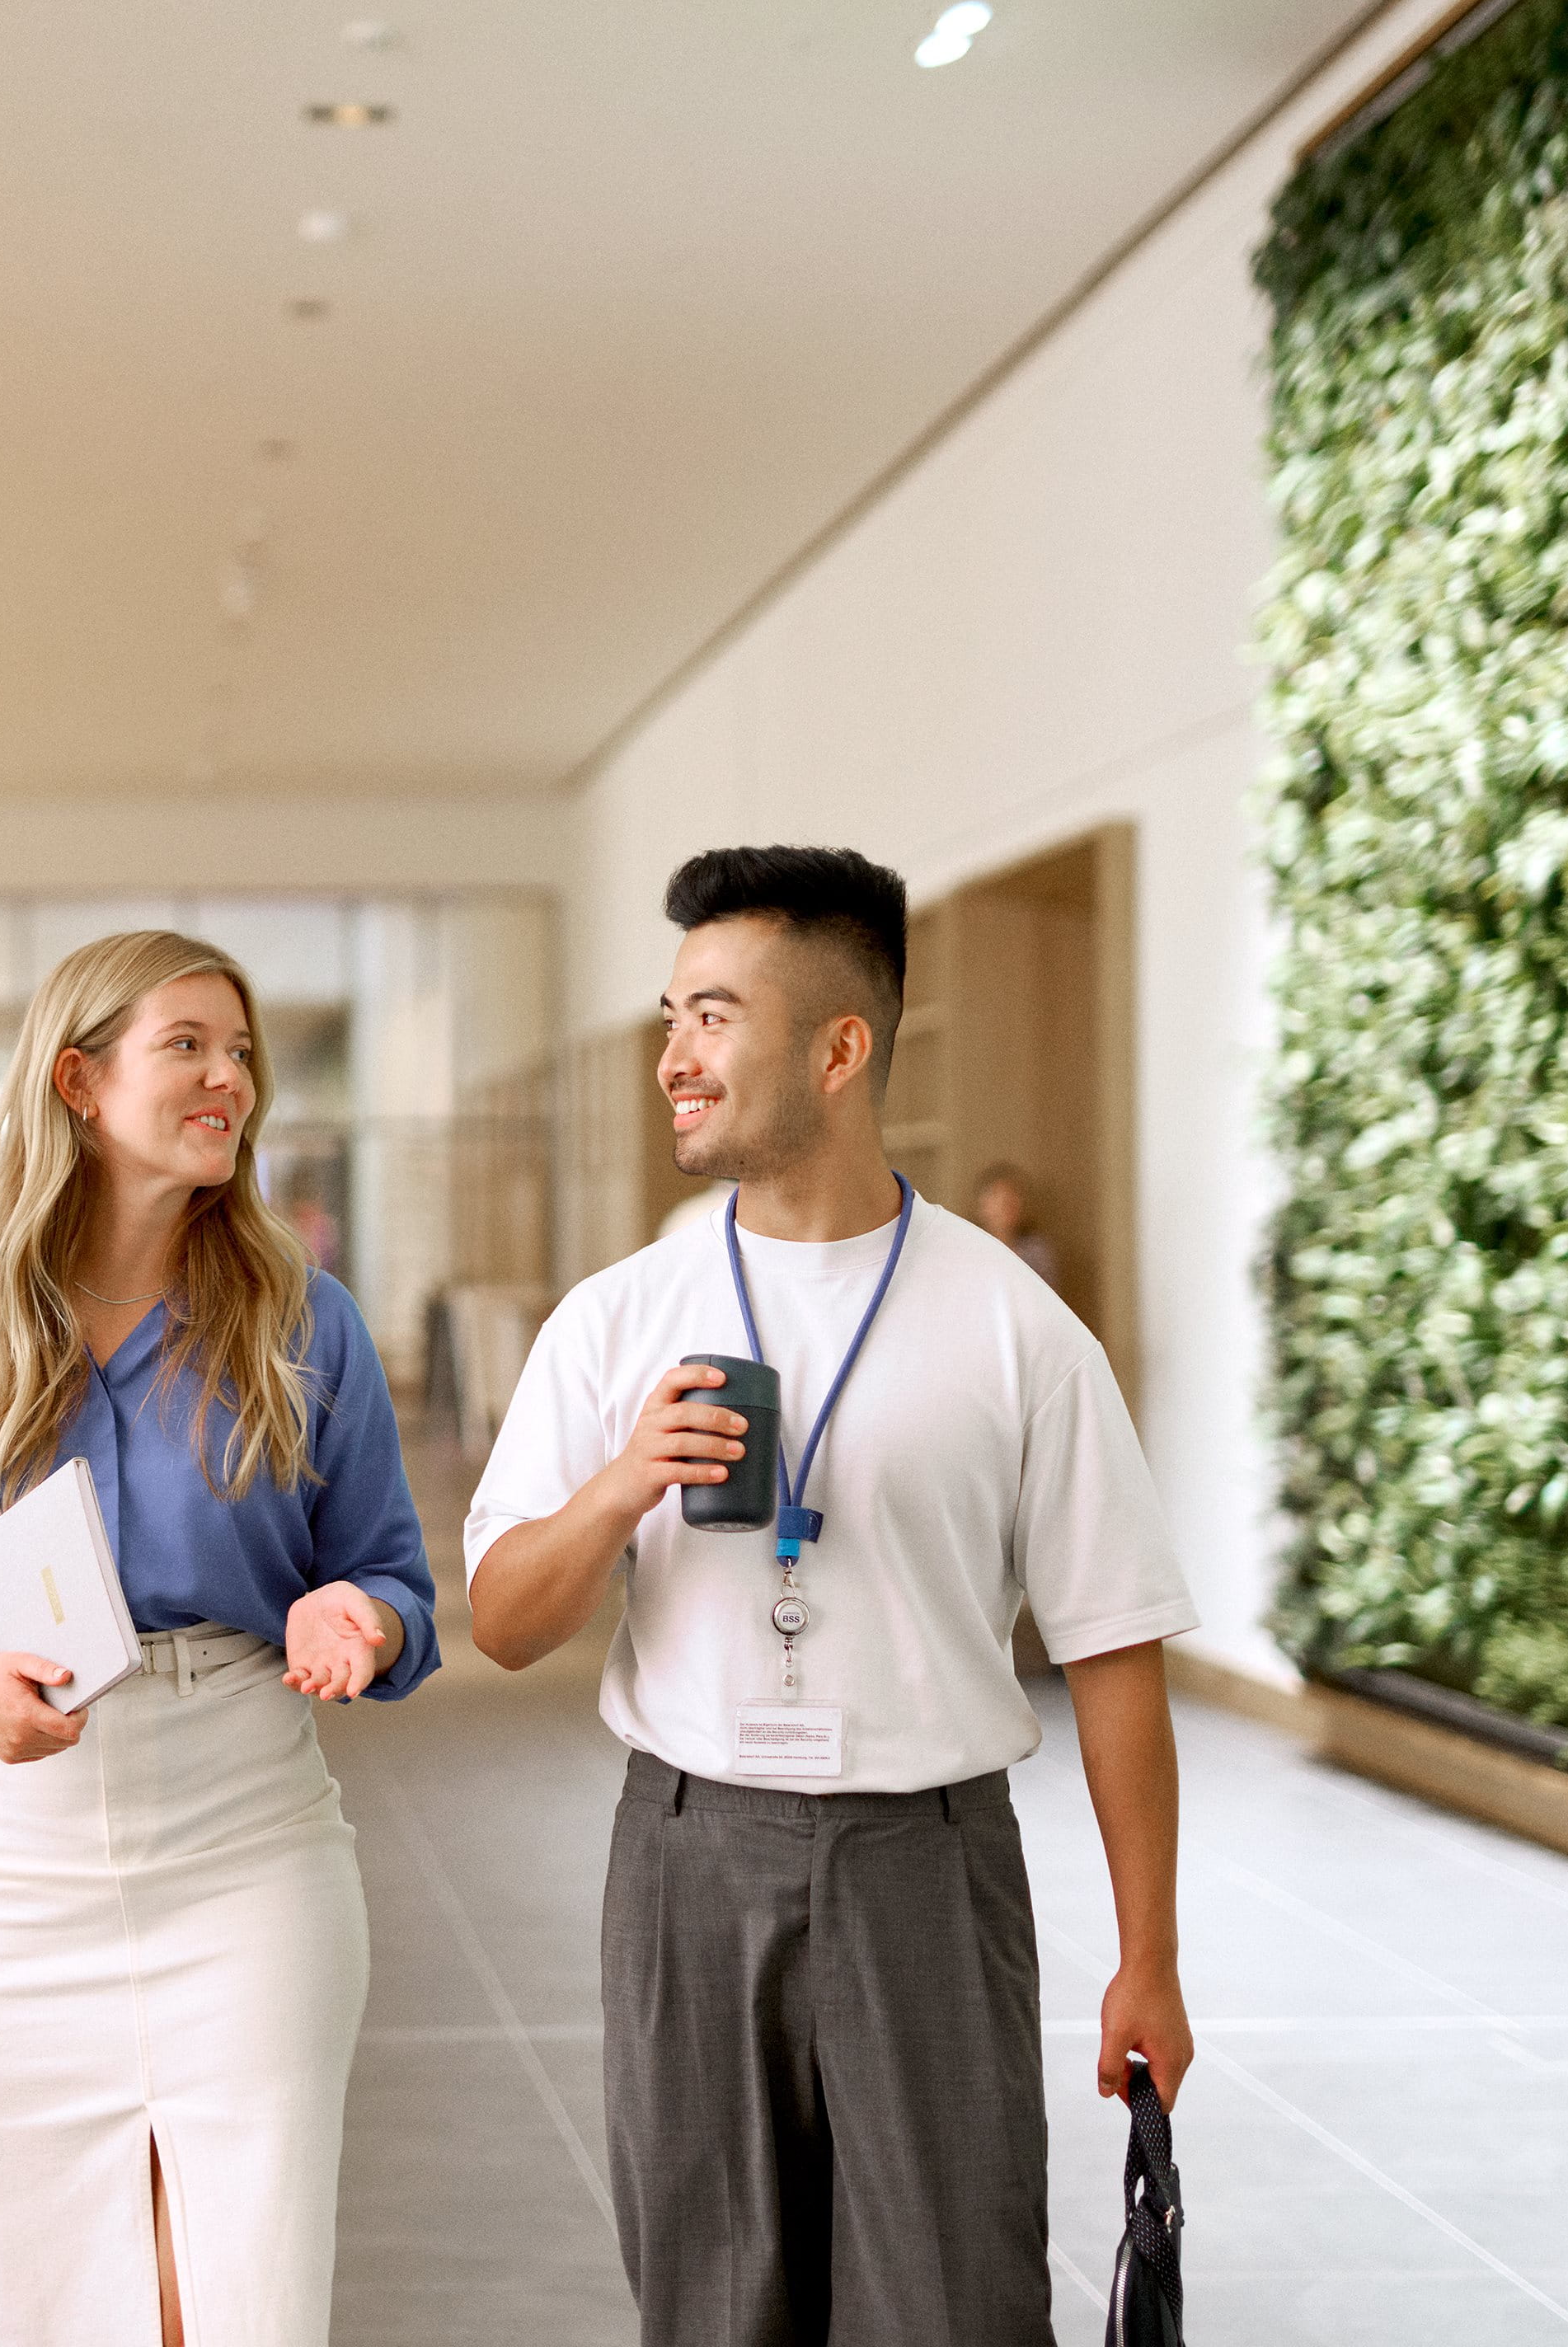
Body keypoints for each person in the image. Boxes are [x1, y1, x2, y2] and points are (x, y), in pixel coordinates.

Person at [466, 846, 1199, 2347]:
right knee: (711, 2307)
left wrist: (1151, 1958)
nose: (674, 1057)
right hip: (685, 1858)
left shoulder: (1016, 1327)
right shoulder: (617, 1319)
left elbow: (1116, 1653)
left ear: (841, 1048)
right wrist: (619, 1487)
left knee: (956, 2309)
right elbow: (503, 1617)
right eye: (671, 1017)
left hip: (929, 1870)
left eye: (714, 1018)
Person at [0, 929, 439, 2347]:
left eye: (242, 1051)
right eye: (187, 1046)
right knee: (32, 2312)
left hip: (243, 1844)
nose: (230, 1080)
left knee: (247, 2308)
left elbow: (391, 1578)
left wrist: (359, 1616)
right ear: (78, 1081)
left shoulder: (300, 1318)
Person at [972, 1160, 1067, 1293]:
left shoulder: (1037, 1253)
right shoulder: (970, 1248)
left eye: (1013, 1195)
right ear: (981, 1205)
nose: (1006, 1203)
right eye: (996, 1195)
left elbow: (1048, 1302)